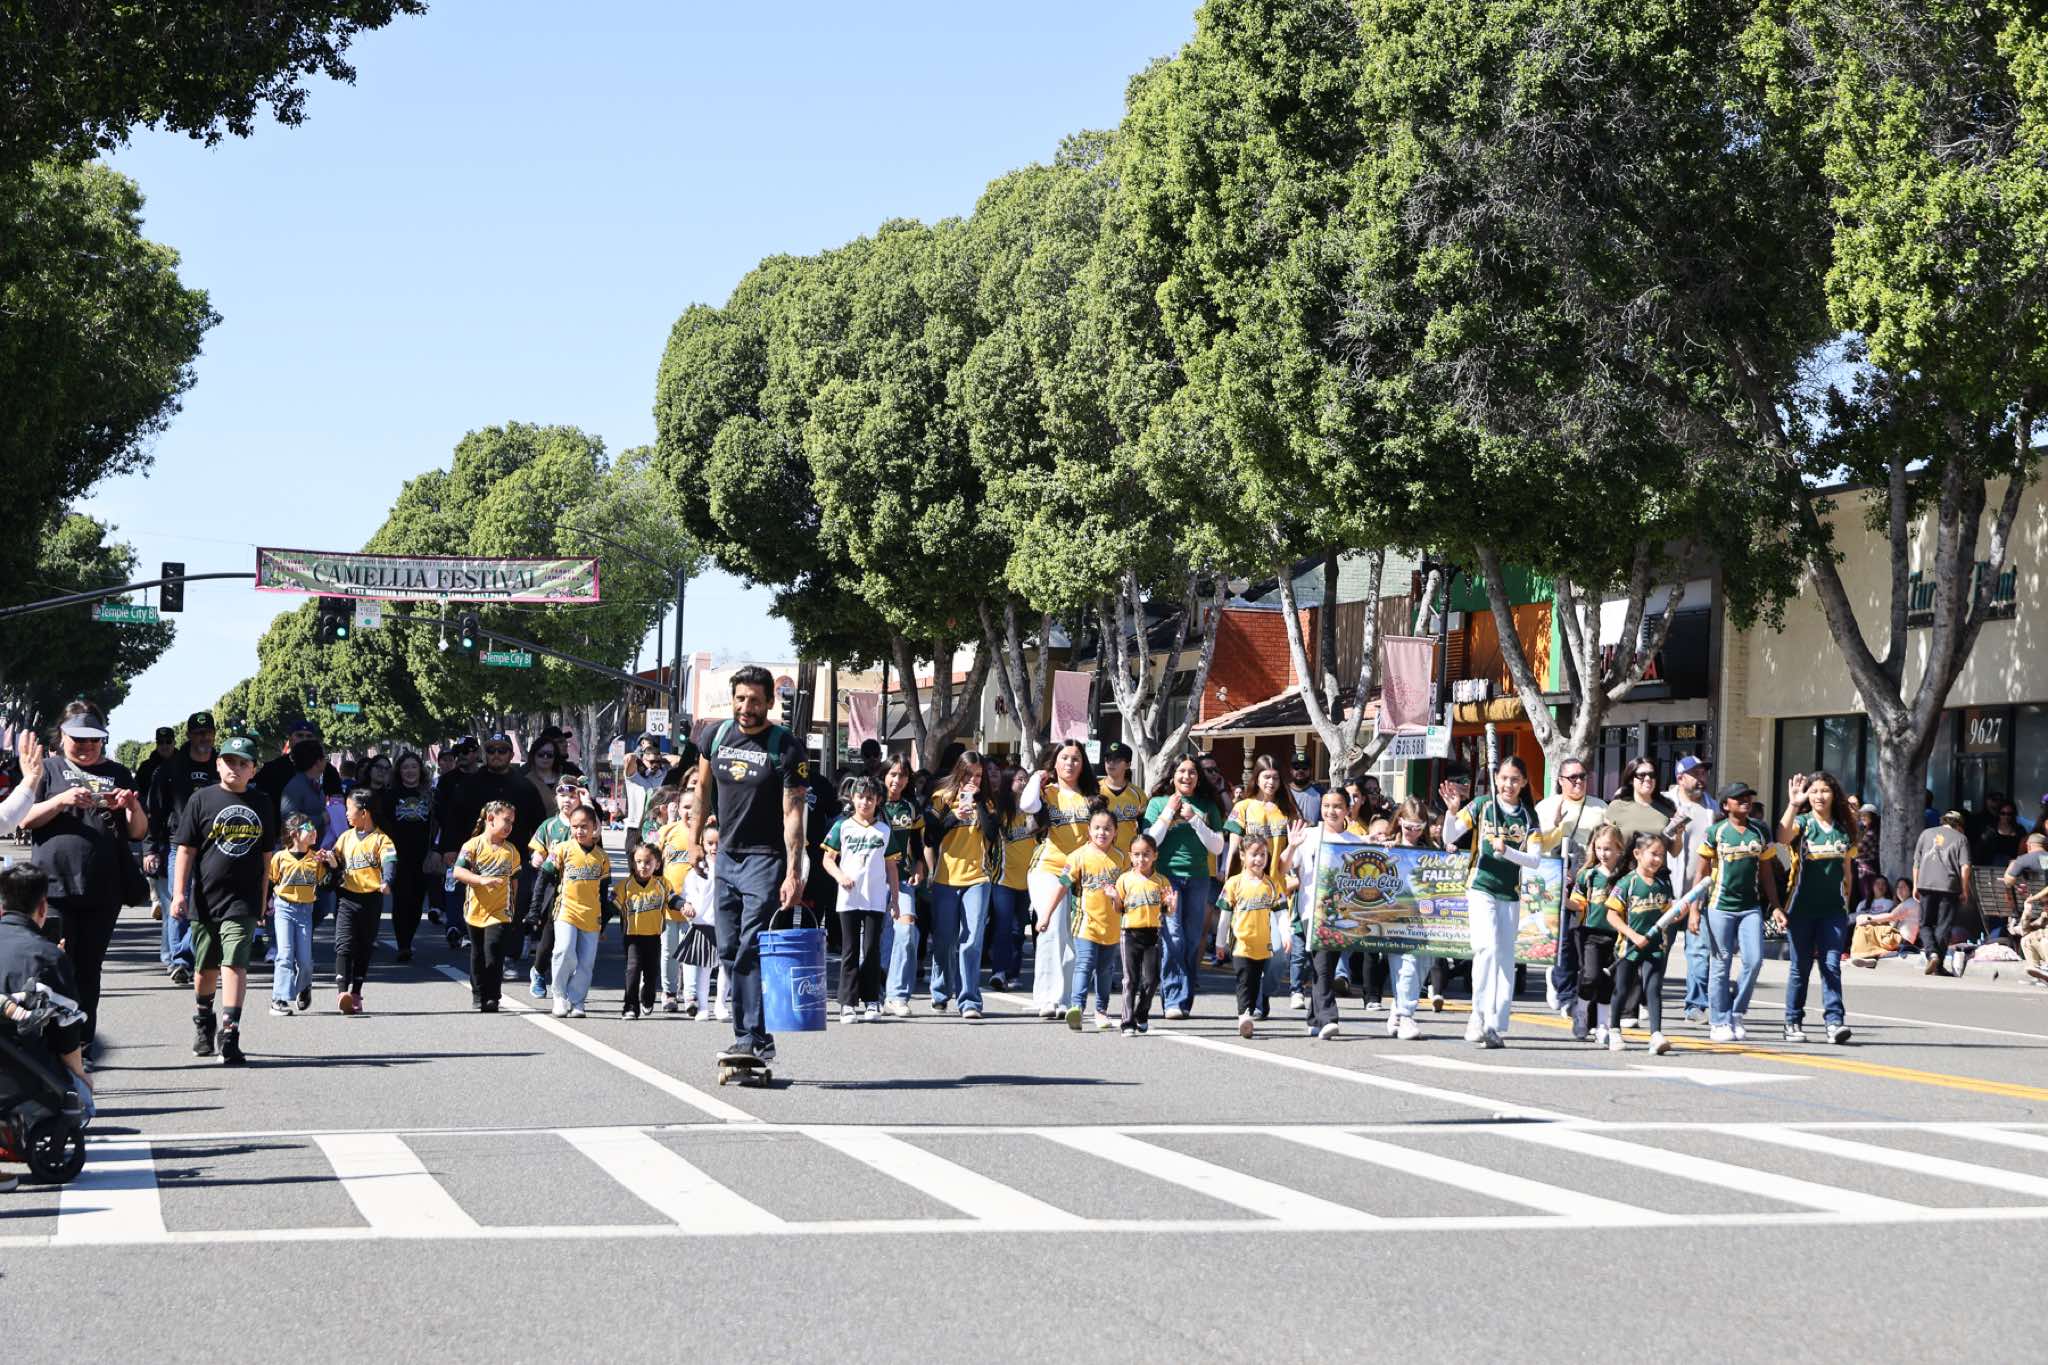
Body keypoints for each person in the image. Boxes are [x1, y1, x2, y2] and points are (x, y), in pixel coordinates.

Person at [687, 666, 808, 1067]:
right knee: (727, 948)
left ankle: (749, 1037)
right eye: (740, 698)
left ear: (770, 702)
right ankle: (757, 1036)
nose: (746, 707)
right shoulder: (715, 736)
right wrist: (693, 841)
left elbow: (793, 813)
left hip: (765, 859)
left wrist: (793, 872)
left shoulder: (785, 746)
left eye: (755, 700)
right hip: (726, 857)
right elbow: (702, 788)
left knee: (750, 947)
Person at [22, 701, 147, 1048]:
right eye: (79, 739)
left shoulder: (119, 773)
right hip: (51, 889)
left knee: (89, 970)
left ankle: (81, 1045)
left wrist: (132, 806)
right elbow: (24, 818)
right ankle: (49, 1046)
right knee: (53, 968)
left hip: (102, 889)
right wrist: (61, 801)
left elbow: (138, 831)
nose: (87, 746)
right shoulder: (46, 770)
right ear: (62, 736)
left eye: (94, 739)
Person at [169, 735, 276, 1066]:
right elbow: (186, 850)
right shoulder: (201, 799)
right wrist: (178, 893)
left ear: (253, 770)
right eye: (230, 761)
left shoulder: (262, 803)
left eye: (243, 763)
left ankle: (230, 1034)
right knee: (206, 967)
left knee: (235, 962)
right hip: (206, 898)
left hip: (243, 900)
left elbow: (267, 858)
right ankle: (204, 1021)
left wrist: (264, 900)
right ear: (218, 764)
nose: (236, 768)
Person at [1444, 755, 1560, 1049]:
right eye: (1504, 778)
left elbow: (1534, 860)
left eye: (1515, 780)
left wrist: (1506, 850)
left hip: (1510, 892)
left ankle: (1495, 1023)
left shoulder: (1528, 816)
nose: (1509, 784)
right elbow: (1451, 835)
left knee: (1505, 958)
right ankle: (1478, 1016)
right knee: (1486, 948)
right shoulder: (1482, 806)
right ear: (1496, 779)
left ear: (1524, 783)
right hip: (1480, 886)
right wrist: (1451, 812)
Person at [440, 733, 549, 977]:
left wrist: (540, 850)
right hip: (477, 858)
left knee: (515, 906)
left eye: (502, 750)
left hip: (514, 858)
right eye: (491, 750)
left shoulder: (524, 786)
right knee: (478, 906)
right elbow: (453, 818)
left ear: (511, 755)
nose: (496, 755)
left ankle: (508, 957)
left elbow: (539, 823)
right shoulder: (469, 784)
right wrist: (449, 848)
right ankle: (482, 955)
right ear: (484, 754)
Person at [0, 864, 93, 1142]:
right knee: (83, 1098)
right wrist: (81, 1075)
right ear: (42, 907)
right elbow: (67, 1031)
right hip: (21, 1074)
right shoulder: (47, 955)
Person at [1694, 781, 1781, 1043]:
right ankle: (1719, 1020)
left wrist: (1776, 906)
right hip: (1719, 906)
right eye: (1739, 797)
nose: (1745, 801)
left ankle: (1737, 1012)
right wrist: (1694, 909)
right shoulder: (1716, 832)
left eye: (1748, 797)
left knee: (1754, 960)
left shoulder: (1760, 831)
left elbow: (1767, 872)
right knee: (1721, 963)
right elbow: (1701, 873)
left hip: (1750, 907)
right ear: (1725, 805)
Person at [1776, 771, 1855, 1044]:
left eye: (1825, 790)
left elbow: (1847, 871)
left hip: (1833, 911)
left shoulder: (1843, 829)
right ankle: (1792, 1021)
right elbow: (1782, 837)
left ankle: (1834, 1022)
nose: (1819, 796)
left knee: (1831, 966)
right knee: (1800, 967)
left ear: (1834, 794)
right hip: (1801, 908)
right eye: (1814, 791)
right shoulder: (1803, 823)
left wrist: (1846, 904)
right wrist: (1793, 803)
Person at [1021, 740, 1098, 1020]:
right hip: (1048, 868)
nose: (1070, 763)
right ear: (1055, 762)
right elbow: (1027, 804)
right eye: (1064, 757)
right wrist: (1036, 777)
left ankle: (1065, 998)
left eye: (1076, 758)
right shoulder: (1047, 792)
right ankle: (1046, 997)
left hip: (1079, 874)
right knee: (1051, 929)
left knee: (1072, 936)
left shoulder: (1092, 797)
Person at [924, 751, 1002, 1020]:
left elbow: (992, 833)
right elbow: (930, 837)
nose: (973, 780)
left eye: (978, 775)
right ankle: (940, 991)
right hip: (945, 878)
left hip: (978, 878)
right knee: (944, 940)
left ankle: (969, 1000)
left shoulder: (988, 801)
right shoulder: (941, 797)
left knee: (971, 941)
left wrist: (978, 804)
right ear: (959, 772)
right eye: (969, 774)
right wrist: (954, 816)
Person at [1147, 756, 1225, 1021]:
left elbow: (1217, 846)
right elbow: (1150, 841)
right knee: (1174, 937)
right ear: (1172, 776)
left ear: (1198, 778)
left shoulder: (1207, 805)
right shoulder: (1158, 803)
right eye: (1181, 771)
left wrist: (1194, 819)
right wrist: (1169, 813)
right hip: (1167, 878)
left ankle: (1184, 999)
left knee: (1191, 940)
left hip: (1199, 879)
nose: (1187, 777)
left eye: (1192, 772)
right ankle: (1173, 998)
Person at [145, 713, 219, 984]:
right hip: (179, 844)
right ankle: (179, 962)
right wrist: (150, 848)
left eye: (207, 732)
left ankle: (186, 952)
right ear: (188, 736)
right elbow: (154, 810)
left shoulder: (222, 763)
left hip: (214, 845)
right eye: (198, 733)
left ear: (214, 734)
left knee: (209, 903)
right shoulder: (170, 768)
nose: (203, 738)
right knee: (179, 901)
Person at [822, 776, 899, 1024]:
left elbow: (892, 867)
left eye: (870, 798)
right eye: (860, 797)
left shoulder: (884, 830)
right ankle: (847, 1003)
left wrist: (895, 900)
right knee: (850, 949)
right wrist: (840, 876)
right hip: (848, 898)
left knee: (872, 949)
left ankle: (872, 999)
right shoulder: (842, 827)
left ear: (878, 801)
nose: (865, 802)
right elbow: (827, 860)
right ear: (852, 798)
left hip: (875, 898)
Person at [1535, 755, 1607, 1018]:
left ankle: (1570, 986)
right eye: (1572, 777)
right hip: (1556, 881)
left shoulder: (1600, 807)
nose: (1578, 782)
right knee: (1564, 939)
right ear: (1560, 780)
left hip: (1587, 881)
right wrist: (1554, 824)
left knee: (1584, 939)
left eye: (1582, 777)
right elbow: (1536, 845)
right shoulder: (1546, 807)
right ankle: (1566, 994)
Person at [1605, 831, 1680, 1056]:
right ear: (1637, 854)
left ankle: (1656, 1034)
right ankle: (1614, 1030)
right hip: (1629, 947)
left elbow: (1668, 915)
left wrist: (1679, 913)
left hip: (1655, 946)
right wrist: (1633, 935)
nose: (1658, 859)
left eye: (1661, 855)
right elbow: (1612, 915)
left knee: (1653, 988)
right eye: (1653, 854)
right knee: (1622, 989)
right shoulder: (1627, 883)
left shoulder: (1662, 884)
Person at [535, 804, 612, 1019]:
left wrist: (605, 920)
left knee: (586, 962)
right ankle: (559, 995)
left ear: (594, 827)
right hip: (566, 910)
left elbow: (604, 891)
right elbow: (543, 878)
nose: (579, 831)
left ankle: (577, 999)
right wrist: (535, 909)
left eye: (584, 826)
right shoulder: (561, 849)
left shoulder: (602, 857)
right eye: (575, 826)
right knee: (564, 950)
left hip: (591, 915)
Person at [1055, 805, 1127, 1032]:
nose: (1101, 833)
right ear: (1089, 830)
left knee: (1106, 970)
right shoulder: (1078, 856)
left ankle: (1101, 1011)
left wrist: (1118, 899)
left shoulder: (1121, 859)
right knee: (1084, 963)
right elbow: (1062, 885)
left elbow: (1127, 893)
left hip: (1112, 926)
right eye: (1097, 828)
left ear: (1115, 832)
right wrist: (1046, 914)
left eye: (1107, 829)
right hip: (1086, 923)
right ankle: (1076, 1007)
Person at [328, 789, 396, 1015]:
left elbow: (389, 861)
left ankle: (356, 992)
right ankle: (342, 993)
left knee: (364, 946)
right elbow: (336, 859)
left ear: (364, 812)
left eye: (350, 809)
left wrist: (386, 881)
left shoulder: (381, 839)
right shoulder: (345, 837)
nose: (346, 814)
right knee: (343, 944)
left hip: (371, 900)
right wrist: (328, 860)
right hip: (347, 898)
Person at [1221, 828, 1290, 1039]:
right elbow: (1225, 915)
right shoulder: (1234, 883)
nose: (1259, 859)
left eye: (1263, 854)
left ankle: (1250, 1010)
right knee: (1244, 979)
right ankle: (1244, 1016)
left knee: (1255, 981)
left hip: (1262, 944)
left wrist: (1286, 934)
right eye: (1254, 854)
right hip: (1241, 943)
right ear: (1243, 855)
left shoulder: (1271, 884)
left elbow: (1281, 913)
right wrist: (1219, 942)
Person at [453, 801, 522, 1010]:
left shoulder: (511, 851)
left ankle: (493, 996)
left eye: (512, 822)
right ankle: (478, 994)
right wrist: (481, 880)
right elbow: (458, 871)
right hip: (475, 909)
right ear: (491, 819)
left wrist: (513, 907)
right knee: (478, 954)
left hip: (500, 911)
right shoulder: (472, 845)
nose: (509, 826)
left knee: (494, 951)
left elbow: (515, 881)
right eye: (506, 821)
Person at [1664, 755, 1717, 1025]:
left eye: (1703, 773)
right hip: (1667, 894)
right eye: (1695, 774)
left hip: (1699, 895)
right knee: (1659, 949)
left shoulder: (1712, 808)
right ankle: (1643, 999)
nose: (1701, 779)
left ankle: (1696, 1005)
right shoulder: (1665, 803)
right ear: (1680, 777)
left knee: (1699, 951)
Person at [1567, 823, 1630, 1044]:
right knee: (1590, 975)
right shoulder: (1588, 875)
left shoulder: (1626, 877)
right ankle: (1581, 1012)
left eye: (1608, 849)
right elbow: (1578, 902)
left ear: (1619, 849)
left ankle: (1603, 1024)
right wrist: (1562, 900)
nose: (1603, 854)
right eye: (1599, 848)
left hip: (1616, 934)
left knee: (1607, 981)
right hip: (1589, 933)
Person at [375, 751, 435, 962]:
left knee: (417, 900)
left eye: (414, 766)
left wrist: (435, 850)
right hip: (398, 854)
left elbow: (436, 824)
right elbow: (382, 822)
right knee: (401, 899)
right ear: (399, 771)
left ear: (420, 770)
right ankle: (403, 944)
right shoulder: (391, 795)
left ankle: (408, 937)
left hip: (423, 855)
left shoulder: (429, 795)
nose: (410, 771)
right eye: (405, 767)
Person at [879, 758, 927, 1016]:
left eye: (903, 775)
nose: (897, 780)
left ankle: (896, 995)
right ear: (884, 774)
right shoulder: (873, 801)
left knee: (907, 931)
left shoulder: (910, 806)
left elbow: (917, 840)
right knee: (879, 936)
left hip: (903, 879)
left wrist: (919, 864)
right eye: (893, 774)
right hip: (874, 880)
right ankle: (875, 988)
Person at [1116, 832, 1175, 1034]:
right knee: (1130, 980)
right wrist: (1114, 898)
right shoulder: (1124, 880)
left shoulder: (1162, 881)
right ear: (1131, 856)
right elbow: (1118, 908)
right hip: (1130, 933)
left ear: (1155, 855)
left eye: (1146, 854)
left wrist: (1171, 904)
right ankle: (1127, 1022)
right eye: (1137, 854)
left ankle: (1142, 1013)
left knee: (1152, 980)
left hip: (1153, 935)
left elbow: (1167, 911)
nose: (1141, 859)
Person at [266, 814, 325, 1016]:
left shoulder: (315, 859)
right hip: (283, 908)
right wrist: (264, 906)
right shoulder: (279, 858)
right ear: (294, 834)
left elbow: (326, 883)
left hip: (305, 911)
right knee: (285, 954)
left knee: (305, 960)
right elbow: (270, 882)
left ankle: (304, 987)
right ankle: (279, 999)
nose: (314, 831)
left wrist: (331, 864)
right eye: (309, 828)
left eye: (314, 827)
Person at [990, 765, 1039, 994]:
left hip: (1028, 880)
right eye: (1020, 779)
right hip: (1003, 879)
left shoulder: (1033, 809)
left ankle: (1014, 972)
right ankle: (999, 972)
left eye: (1026, 779)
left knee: (1019, 930)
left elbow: (1037, 833)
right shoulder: (1000, 810)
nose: (1024, 783)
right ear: (1009, 781)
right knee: (1003, 927)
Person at [1911, 810, 1974, 977]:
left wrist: (1915, 885)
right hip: (1949, 886)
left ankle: (1932, 955)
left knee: (1925, 924)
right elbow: (1965, 866)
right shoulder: (1961, 838)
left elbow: (1916, 862)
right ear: (1959, 825)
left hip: (1925, 884)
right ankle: (1938, 963)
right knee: (1943, 926)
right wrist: (1964, 889)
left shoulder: (1926, 834)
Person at [617, 842, 669, 1020]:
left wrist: (684, 905)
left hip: (653, 936)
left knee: (651, 972)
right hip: (632, 937)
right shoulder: (625, 885)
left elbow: (673, 899)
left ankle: (648, 997)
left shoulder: (662, 884)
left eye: (648, 862)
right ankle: (630, 1006)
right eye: (638, 862)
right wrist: (600, 925)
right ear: (633, 863)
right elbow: (610, 906)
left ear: (657, 864)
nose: (643, 866)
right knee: (633, 969)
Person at [678, 825, 723, 1018]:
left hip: (726, 924)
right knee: (705, 968)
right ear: (702, 844)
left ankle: (720, 1004)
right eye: (710, 843)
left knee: (726, 966)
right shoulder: (698, 870)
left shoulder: (729, 867)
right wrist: (689, 908)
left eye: (718, 843)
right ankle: (703, 1006)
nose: (714, 847)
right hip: (704, 923)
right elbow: (687, 894)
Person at [253, 718, 319, 803]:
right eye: (299, 735)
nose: (304, 740)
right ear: (290, 740)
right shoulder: (271, 769)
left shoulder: (323, 770)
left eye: (309, 736)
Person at [1098, 742, 1147, 855]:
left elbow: (1144, 829)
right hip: (1100, 857)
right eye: (1108, 759)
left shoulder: (1138, 794)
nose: (1111, 763)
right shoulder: (1095, 791)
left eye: (1117, 760)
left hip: (1129, 857)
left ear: (1128, 764)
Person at [2003, 833, 2048, 943]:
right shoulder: (2046, 859)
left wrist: (2011, 866)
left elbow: (2008, 881)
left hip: (2028, 907)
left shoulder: (2023, 860)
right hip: (2044, 905)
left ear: (2029, 845)